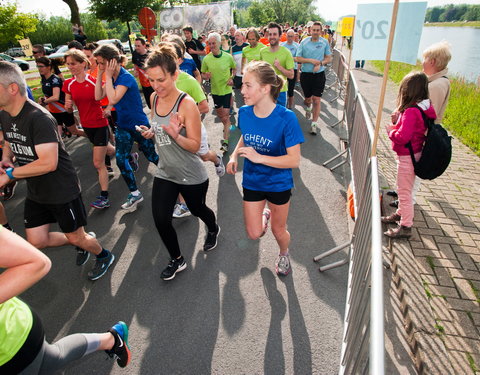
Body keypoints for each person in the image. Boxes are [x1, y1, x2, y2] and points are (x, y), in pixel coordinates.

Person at [0, 61, 114, 281]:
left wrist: (10, 176)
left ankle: (103, 255)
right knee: (37, 240)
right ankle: (81, 240)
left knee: (76, 236)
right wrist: (6, 159)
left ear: (12, 88)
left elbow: (48, 163)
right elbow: (10, 140)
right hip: (37, 190)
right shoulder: (5, 114)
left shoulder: (38, 118)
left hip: (61, 190)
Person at [0, 225, 131, 373]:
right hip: (12, 344)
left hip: (10, 339)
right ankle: (112, 340)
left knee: (51, 360)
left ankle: (95, 250)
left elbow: (37, 263)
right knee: (52, 359)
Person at [141, 43, 221, 280]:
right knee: (160, 219)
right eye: (151, 80)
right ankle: (177, 259)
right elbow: (160, 127)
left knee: (198, 210)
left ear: (175, 74)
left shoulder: (186, 105)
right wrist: (152, 131)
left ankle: (213, 227)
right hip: (166, 171)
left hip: (190, 172)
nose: (155, 86)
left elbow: (195, 145)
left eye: (160, 79)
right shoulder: (154, 98)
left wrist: (176, 135)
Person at [226, 61, 303, 276]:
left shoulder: (286, 118)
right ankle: (264, 216)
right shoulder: (244, 113)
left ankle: (284, 253)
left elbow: (294, 160)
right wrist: (234, 155)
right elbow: (246, 136)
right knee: (254, 233)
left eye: (248, 85)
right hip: (252, 180)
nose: (242, 90)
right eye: (242, 85)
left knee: (279, 231)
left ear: (265, 88)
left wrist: (259, 158)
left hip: (278, 183)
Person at [93, 44, 159, 211]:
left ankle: (175, 177)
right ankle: (135, 193)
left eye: (101, 63)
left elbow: (113, 99)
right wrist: (101, 73)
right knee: (121, 160)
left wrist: (107, 76)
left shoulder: (126, 77)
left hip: (138, 125)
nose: (99, 66)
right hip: (123, 126)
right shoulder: (111, 78)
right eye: (98, 63)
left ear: (112, 61)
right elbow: (98, 96)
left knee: (152, 157)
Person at [165, 41, 225, 218]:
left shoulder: (188, 80)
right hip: (173, 133)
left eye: (168, 57)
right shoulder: (161, 84)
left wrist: (184, 118)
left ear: (178, 60)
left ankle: (217, 159)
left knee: (203, 156)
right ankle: (183, 204)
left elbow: (205, 107)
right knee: (178, 163)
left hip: (193, 129)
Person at [381, 72, 436, 238]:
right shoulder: (422, 107)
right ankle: (400, 214)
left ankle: (405, 226)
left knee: (404, 192)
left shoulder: (412, 111)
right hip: (414, 154)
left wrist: (391, 131)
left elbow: (403, 137)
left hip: (407, 157)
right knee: (405, 190)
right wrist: (398, 120)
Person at [63, 49, 116, 209]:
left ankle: (104, 197)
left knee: (98, 163)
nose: (70, 67)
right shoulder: (68, 84)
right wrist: (68, 107)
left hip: (100, 123)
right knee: (110, 151)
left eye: (73, 63)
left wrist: (108, 108)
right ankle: (128, 155)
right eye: (68, 64)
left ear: (83, 63)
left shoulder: (94, 82)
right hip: (86, 126)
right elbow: (68, 108)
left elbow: (110, 98)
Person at [295, 21, 332, 135]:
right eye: (313, 30)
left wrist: (320, 63)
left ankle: (314, 124)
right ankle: (308, 107)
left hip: (319, 75)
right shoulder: (304, 42)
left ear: (321, 31)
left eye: (317, 30)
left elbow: (329, 58)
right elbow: (297, 58)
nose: (315, 32)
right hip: (306, 74)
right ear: (310, 30)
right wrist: (310, 61)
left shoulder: (324, 42)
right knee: (308, 99)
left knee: (317, 99)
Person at [201, 32, 236, 152]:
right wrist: (206, 76)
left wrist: (232, 78)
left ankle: (225, 142)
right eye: (209, 43)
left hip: (226, 90)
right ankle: (227, 126)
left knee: (225, 115)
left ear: (219, 43)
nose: (211, 45)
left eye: (213, 43)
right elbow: (202, 74)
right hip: (215, 92)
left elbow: (234, 68)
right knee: (222, 116)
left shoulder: (228, 57)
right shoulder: (206, 59)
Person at [36, 57, 78, 139]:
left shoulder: (54, 79)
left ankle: (95, 139)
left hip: (62, 109)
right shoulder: (44, 79)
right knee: (56, 134)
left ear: (48, 67)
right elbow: (48, 94)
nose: (39, 69)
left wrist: (44, 102)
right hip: (54, 110)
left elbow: (56, 97)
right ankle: (60, 150)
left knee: (74, 131)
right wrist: (43, 99)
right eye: (38, 66)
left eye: (41, 66)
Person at [260, 22, 294, 108]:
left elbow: (291, 75)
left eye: (274, 34)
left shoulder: (286, 53)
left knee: (280, 119)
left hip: (281, 91)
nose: (272, 37)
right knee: (267, 119)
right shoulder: (263, 52)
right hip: (266, 91)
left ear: (280, 36)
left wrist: (280, 67)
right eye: (270, 34)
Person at [132, 38, 154, 108]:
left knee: (155, 101)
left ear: (144, 45)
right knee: (149, 104)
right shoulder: (135, 54)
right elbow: (135, 64)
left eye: (138, 46)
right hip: (143, 83)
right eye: (135, 46)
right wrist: (135, 70)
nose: (136, 48)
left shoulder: (150, 54)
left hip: (152, 83)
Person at [281, 29, 300, 109]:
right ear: (286, 36)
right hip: (283, 69)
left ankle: (290, 106)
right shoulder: (282, 45)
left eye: (292, 36)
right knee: (282, 87)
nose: (290, 38)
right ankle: (283, 105)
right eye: (288, 36)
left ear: (294, 37)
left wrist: (289, 58)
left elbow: (298, 58)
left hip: (293, 69)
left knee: (291, 89)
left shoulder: (297, 46)